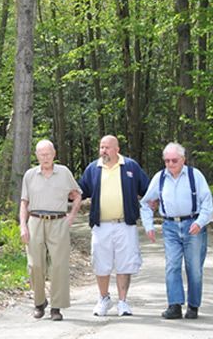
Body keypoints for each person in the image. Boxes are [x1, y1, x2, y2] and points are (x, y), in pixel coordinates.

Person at [140, 142, 213, 320]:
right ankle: (174, 305)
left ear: (183, 159)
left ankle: (193, 306)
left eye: (174, 160)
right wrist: (148, 225)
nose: (170, 164)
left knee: (194, 268)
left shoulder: (195, 176)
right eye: (167, 161)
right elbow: (145, 203)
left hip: (192, 225)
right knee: (172, 266)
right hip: (170, 226)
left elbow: (207, 202)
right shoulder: (160, 178)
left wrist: (201, 222)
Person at [79, 135, 149, 317]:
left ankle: (123, 302)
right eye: (101, 147)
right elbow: (80, 191)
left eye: (107, 147)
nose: (103, 151)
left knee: (125, 264)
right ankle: (103, 299)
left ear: (117, 149)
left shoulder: (130, 166)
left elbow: (147, 190)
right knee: (101, 263)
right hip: (101, 225)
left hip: (124, 224)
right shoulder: (93, 169)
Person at [19, 139, 82, 321]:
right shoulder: (30, 175)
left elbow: (77, 195)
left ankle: (56, 307)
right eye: (41, 154)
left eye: (48, 154)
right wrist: (23, 225)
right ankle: (39, 303)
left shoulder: (64, 173)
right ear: (36, 156)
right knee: (35, 265)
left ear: (54, 154)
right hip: (36, 220)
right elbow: (24, 202)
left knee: (59, 266)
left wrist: (71, 217)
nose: (45, 158)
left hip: (58, 221)